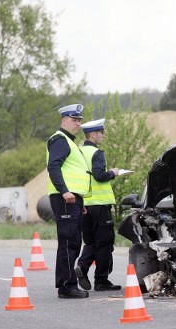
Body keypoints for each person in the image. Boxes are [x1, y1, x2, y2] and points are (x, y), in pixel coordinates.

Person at [47, 104, 92, 299]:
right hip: (65, 197)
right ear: (64, 120)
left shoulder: (70, 142)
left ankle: (66, 284)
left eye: (79, 121)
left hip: (73, 199)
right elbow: (53, 167)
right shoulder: (60, 139)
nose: (78, 124)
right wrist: (64, 192)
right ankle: (67, 286)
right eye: (74, 120)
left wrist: (78, 203)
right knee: (68, 242)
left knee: (72, 241)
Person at [75, 119, 122, 292]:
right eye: (102, 132)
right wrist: (113, 173)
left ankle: (82, 266)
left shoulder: (78, 153)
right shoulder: (96, 153)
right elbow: (99, 176)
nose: (104, 135)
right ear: (93, 134)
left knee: (91, 242)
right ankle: (101, 280)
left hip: (83, 205)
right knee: (105, 242)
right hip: (99, 205)